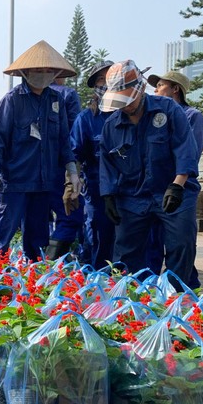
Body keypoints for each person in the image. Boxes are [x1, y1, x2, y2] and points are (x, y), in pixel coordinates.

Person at [99, 60, 200, 289]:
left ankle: (173, 295)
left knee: (181, 244)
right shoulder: (111, 126)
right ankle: (133, 296)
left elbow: (185, 147)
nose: (124, 106)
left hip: (173, 189)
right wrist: (108, 196)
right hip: (132, 195)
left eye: (128, 99)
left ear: (140, 88)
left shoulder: (168, 109)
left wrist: (178, 184)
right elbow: (107, 163)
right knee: (125, 250)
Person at [0, 40, 81, 262]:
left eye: (48, 70)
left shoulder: (56, 101)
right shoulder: (11, 101)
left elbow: (64, 139)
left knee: (38, 241)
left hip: (43, 183)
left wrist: (71, 169)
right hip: (14, 181)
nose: (43, 74)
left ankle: (33, 284)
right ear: (25, 72)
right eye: (38, 70)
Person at [145, 70, 203, 286]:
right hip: (154, 189)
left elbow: (191, 153)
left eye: (160, 85)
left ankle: (182, 292)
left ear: (175, 89)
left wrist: (177, 182)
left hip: (182, 189)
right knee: (151, 245)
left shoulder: (193, 116)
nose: (155, 90)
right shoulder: (153, 117)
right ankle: (152, 291)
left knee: (180, 245)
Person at [70, 60, 115, 268]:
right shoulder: (86, 119)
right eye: (100, 79)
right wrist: (72, 184)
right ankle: (98, 283)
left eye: (110, 78)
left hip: (132, 188)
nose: (105, 83)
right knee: (98, 236)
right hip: (96, 190)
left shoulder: (132, 114)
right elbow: (75, 154)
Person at [47, 77, 83, 259]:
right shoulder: (68, 94)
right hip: (61, 167)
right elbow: (74, 135)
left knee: (35, 221)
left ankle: (34, 270)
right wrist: (73, 172)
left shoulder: (17, 98)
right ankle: (51, 265)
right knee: (70, 214)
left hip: (31, 170)